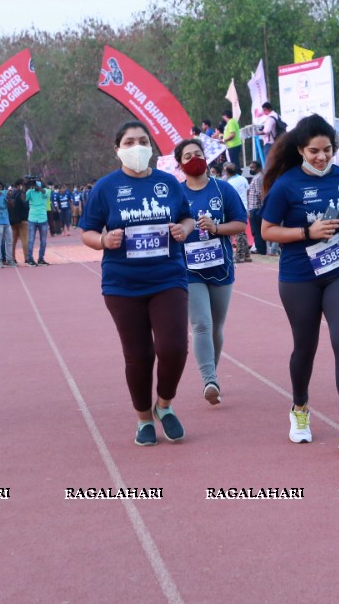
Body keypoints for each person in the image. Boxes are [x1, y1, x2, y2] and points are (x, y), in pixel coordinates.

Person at [260, 114, 339, 450]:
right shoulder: (286, 185)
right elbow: (267, 231)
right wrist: (305, 233)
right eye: (314, 151)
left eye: (327, 150)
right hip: (299, 277)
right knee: (305, 348)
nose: (322, 157)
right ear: (300, 150)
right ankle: (299, 408)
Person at [79, 120, 195, 446]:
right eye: (129, 142)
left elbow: (185, 216)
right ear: (117, 150)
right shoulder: (106, 187)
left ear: (152, 148)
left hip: (168, 276)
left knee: (174, 348)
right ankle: (144, 418)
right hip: (122, 285)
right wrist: (103, 240)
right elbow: (87, 231)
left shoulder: (168, 183)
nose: (137, 147)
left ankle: (164, 405)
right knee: (139, 356)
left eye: (143, 141)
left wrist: (184, 230)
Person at [175, 138, 248, 405]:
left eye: (198, 154)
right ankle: (209, 379)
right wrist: (182, 230)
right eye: (187, 156)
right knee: (201, 324)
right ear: (180, 164)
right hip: (189, 269)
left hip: (220, 267)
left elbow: (240, 223)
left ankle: (212, 373)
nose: (193, 159)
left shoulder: (223, 190)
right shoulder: (176, 193)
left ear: (206, 158)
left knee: (216, 326)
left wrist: (216, 228)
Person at [221, 163, 251, 263]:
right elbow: (248, 192)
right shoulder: (243, 179)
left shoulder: (230, 182)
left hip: (236, 208)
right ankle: (246, 255)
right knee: (242, 233)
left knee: (238, 233)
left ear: (226, 171)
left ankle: (240, 255)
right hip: (245, 206)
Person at [25, 179, 50, 266]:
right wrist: (26, 187)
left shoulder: (45, 191)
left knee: (43, 241)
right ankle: (30, 259)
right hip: (32, 218)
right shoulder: (30, 191)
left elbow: (45, 193)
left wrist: (38, 187)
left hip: (43, 218)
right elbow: (25, 198)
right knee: (31, 240)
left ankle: (41, 259)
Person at [245, 161, 267, 255]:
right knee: (256, 230)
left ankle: (261, 249)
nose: (250, 170)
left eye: (252, 168)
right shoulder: (258, 177)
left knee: (256, 230)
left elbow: (260, 193)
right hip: (254, 208)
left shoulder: (258, 178)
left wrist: (264, 208)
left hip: (256, 208)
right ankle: (260, 248)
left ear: (258, 168)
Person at [8, 179, 28, 265]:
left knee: (13, 240)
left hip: (12, 220)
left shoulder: (10, 194)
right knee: (25, 240)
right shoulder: (22, 194)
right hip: (22, 219)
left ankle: (12, 257)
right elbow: (26, 206)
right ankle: (27, 257)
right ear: (19, 185)